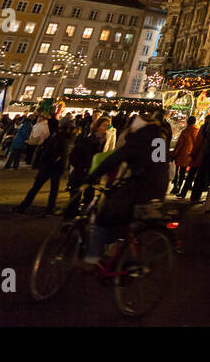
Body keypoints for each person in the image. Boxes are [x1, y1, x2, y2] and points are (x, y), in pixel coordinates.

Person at [82, 109, 173, 264]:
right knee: (131, 223)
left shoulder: (139, 140)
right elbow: (161, 166)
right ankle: (126, 255)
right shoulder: (159, 140)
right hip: (158, 189)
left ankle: (93, 257)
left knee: (106, 214)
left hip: (141, 187)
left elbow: (116, 158)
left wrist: (92, 177)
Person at [15, 118, 76, 215]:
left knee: (37, 187)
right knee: (52, 189)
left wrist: (42, 164)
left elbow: (48, 153)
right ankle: (49, 208)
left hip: (50, 166)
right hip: (57, 167)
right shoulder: (69, 139)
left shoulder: (58, 137)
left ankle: (24, 206)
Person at [70, 116, 110, 190]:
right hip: (82, 169)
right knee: (77, 189)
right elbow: (82, 154)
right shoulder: (90, 139)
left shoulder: (103, 139)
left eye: (108, 125)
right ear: (97, 127)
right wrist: (83, 167)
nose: (106, 127)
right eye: (104, 125)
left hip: (91, 169)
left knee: (89, 191)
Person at [171, 114, 198, 196]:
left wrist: (174, 154)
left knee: (179, 172)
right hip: (190, 155)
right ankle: (181, 187)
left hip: (182, 154)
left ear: (187, 122)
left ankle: (177, 187)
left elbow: (179, 145)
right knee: (184, 172)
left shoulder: (185, 132)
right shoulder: (197, 130)